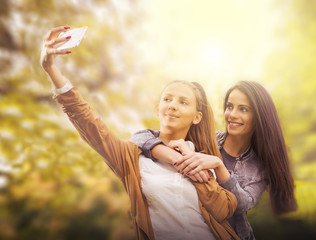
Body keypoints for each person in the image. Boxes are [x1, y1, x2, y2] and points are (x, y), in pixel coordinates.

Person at [40, 26, 240, 240]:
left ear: (196, 117)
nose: (172, 105)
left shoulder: (201, 158)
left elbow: (222, 211)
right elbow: (88, 122)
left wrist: (207, 169)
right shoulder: (132, 157)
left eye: (183, 102)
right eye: (167, 99)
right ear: (158, 109)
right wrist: (51, 68)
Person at [131, 80, 298, 240]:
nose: (232, 115)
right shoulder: (209, 140)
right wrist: (171, 156)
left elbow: (241, 206)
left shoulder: (260, 165)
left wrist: (219, 166)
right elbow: (139, 138)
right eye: (229, 106)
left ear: (259, 116)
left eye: (243, 109)